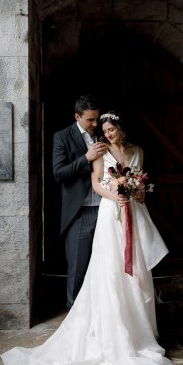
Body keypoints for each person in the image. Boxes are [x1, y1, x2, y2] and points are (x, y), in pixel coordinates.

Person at [1, 110, 177, 365]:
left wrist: (137, 192)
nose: (106, 134)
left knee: (136, 269)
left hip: (133, 211)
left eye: (110, 130)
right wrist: (116, 195)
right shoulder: (101, 152)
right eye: (103, 131)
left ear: (120, 128)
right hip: (110, 212)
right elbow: (96, 185)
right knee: (109, 269)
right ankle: (111, 332)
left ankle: (137, 332)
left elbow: (140, 183)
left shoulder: (137, 151)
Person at [52, 94, 108, 309]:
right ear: (77, 116)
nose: (96, 124)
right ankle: (74, 316)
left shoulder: (103, 133)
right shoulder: (62, 137)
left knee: (105, 265)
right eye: (90, 120)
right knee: (78, 267)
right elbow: (59, 173)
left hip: (105, 208)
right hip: (80, 212)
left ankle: (101, 314)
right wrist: (86, 158)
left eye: (97, 118)